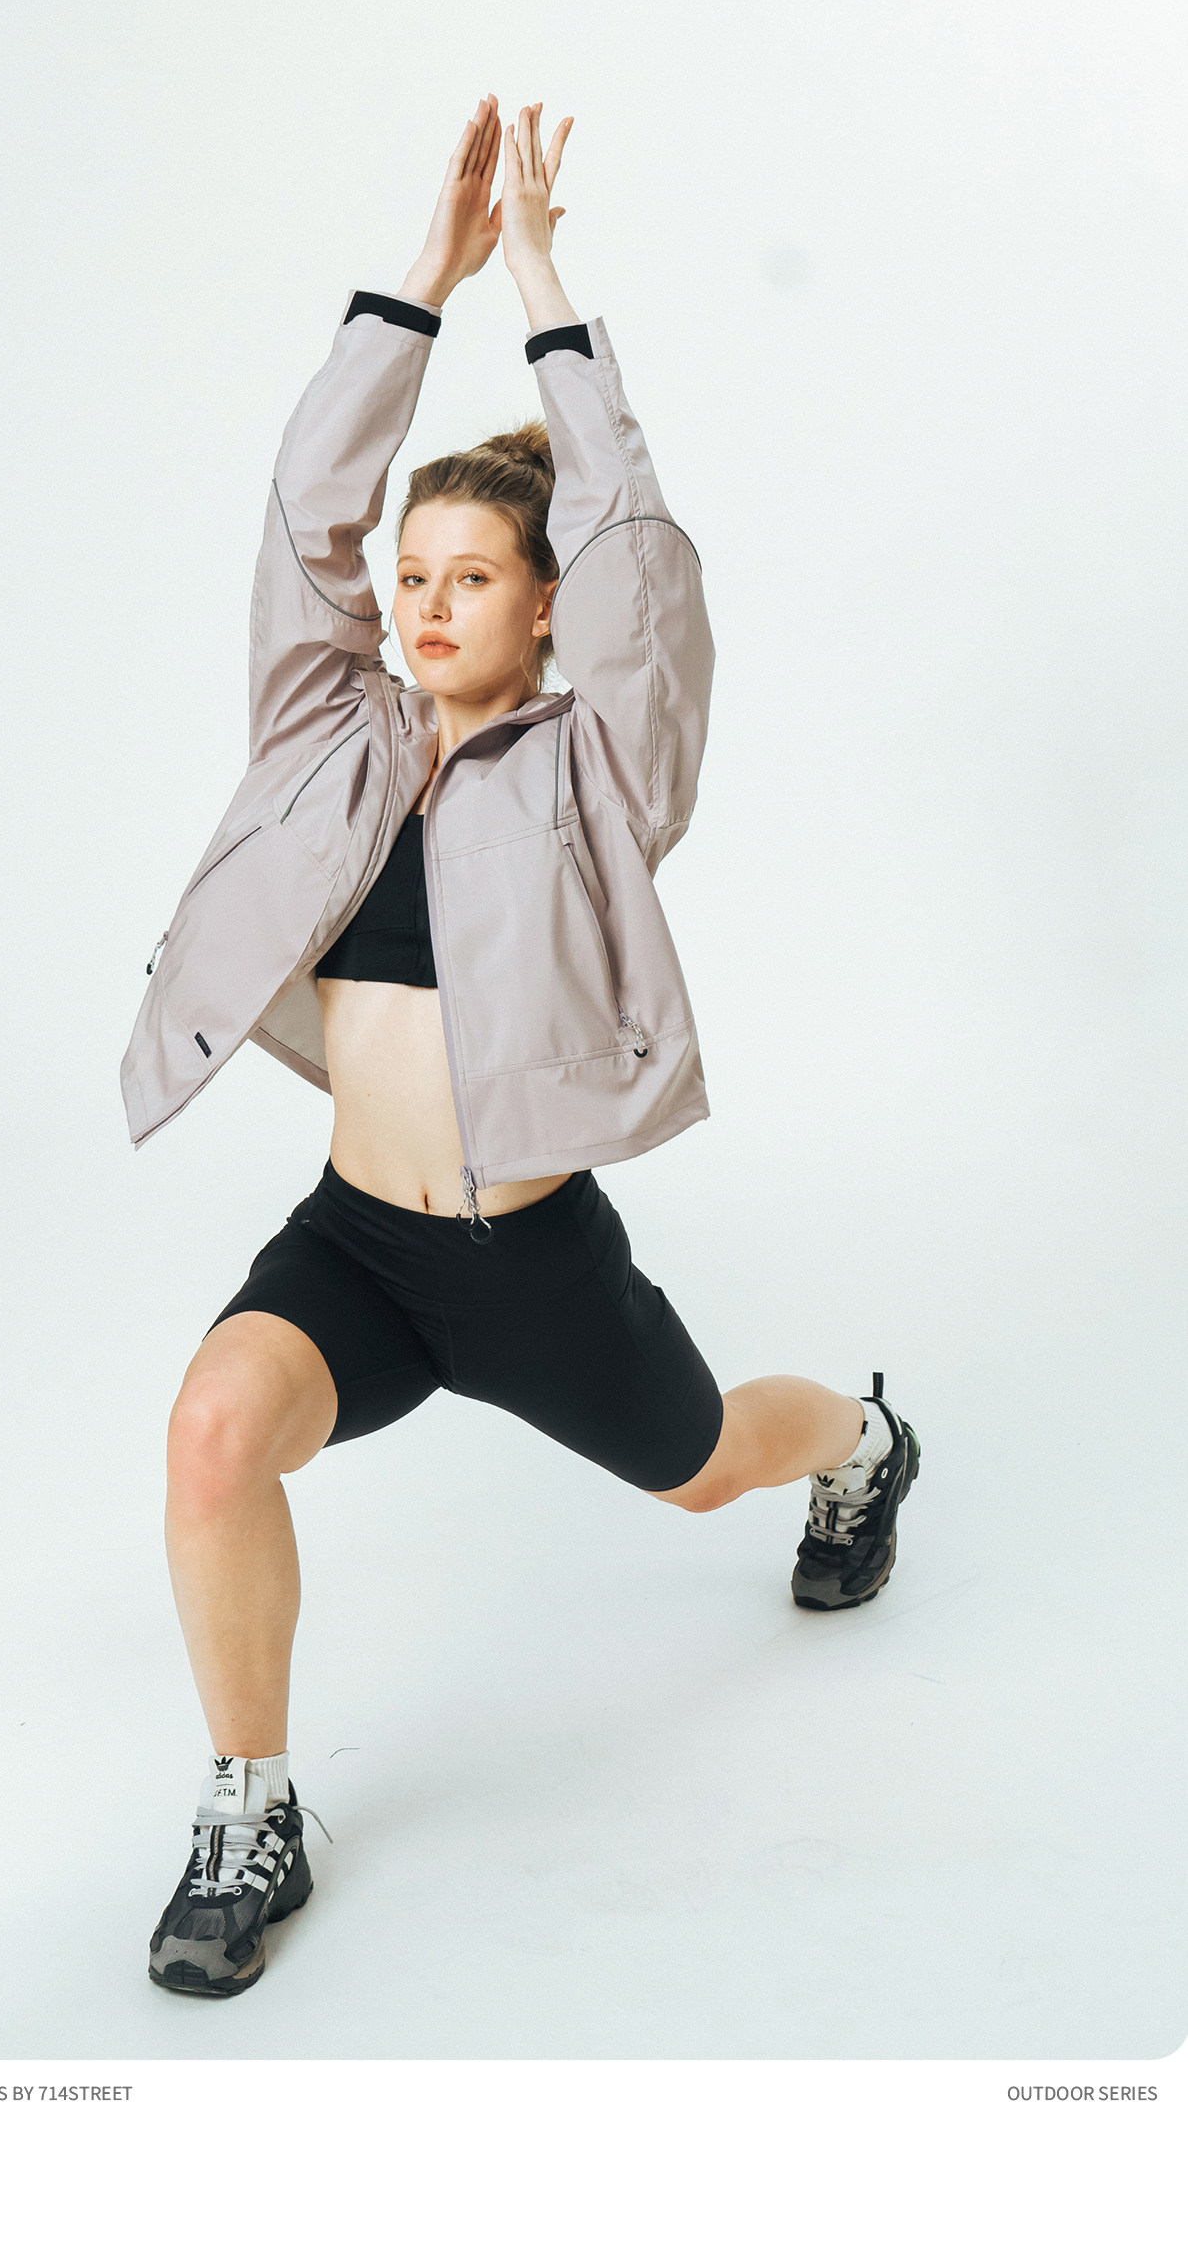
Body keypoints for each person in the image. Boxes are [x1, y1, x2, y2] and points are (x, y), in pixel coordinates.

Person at [120, 98, 921, 2000]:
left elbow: (641, 556)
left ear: (542, 604)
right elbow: (302, 512)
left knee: (703, 1466)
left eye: (469, 577)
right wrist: (425, 279)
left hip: (531, 1260)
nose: (421, 604)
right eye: (411, 577)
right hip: (360, 1247)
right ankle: (251, 1808)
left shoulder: (602, 768)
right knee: (213, 1434)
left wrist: (546, 288)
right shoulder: (325, 731)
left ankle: (866, 1442)